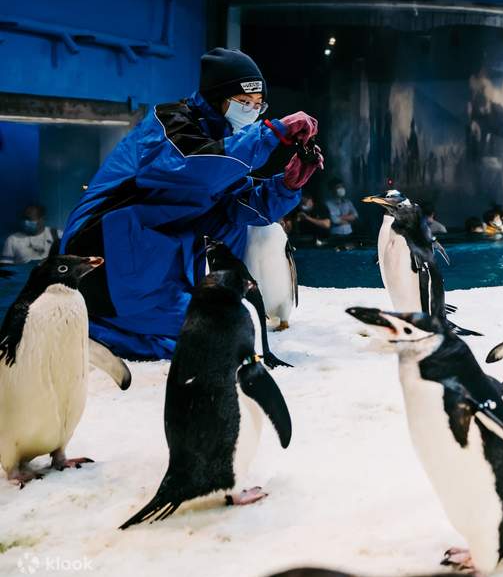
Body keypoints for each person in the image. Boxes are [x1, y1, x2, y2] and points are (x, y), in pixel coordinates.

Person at [61, 47, 322, 360]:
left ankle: (114, 326)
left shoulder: (224, 151)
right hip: (105, 254)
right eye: (244, 102)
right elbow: (196, 168)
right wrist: (271, 133)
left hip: (150, 266)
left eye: (258, 105)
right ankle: (91, 327)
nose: (252, 111)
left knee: (223, 326)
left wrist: (287, 185)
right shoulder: (169, 124)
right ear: (217, 98)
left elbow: (236, 206)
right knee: (210, 333)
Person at [324, 178, 358, 242]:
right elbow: (334, 220)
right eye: (338, 187)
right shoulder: (327, 204)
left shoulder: (348, 202)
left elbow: (355, 215)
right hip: (335, 235)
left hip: (349, 233)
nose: (341, 189)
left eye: (342, 186)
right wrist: (349, 220)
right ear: (331, 189)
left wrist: (340, 217)